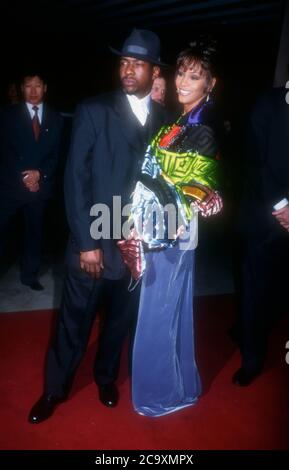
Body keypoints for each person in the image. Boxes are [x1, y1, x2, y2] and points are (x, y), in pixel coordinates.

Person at [28, 29, 169, 424]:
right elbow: (75, 179)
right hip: (93, 243)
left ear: (153, 70)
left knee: (120, 321)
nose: (127, 69)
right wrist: (86, 241)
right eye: (123, 62)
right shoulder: (94, 109)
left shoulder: (164, 121)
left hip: (137, 246)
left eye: (137, 63)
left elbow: (164, 186)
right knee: (74, 321)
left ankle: (106, 377)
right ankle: (54, 390)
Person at [129, 39, 223, 416]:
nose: (184, 81)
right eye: (181, 72)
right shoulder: (177, 122)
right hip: (160, 228)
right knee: (164, 309)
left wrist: (143, 219)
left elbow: (184, 191)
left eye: (195, 76)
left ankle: (161, 394)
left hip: (171, 232)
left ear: (210, 84)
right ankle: (176, 384)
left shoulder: (204, 132)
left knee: (159, 313)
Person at [232, 86, 289, 386]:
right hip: (264, 219)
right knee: (254, 292)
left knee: (279, 293)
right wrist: (283, 207)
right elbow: (255, 162)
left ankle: (251, 329)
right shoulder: (266, 103)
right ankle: (252, 360)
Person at [0, 71, 63, 290]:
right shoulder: (7, 115)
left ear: (45, 87)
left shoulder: (56, 118)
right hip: (10, 186)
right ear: (21, 88)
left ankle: (30, 275)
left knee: (34, 233)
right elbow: (4, 152)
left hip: (39, 187)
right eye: (28, 86)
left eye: (38, 85)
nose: (33, 91)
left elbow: (57, 154)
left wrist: (40, 175)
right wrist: (25, 176)